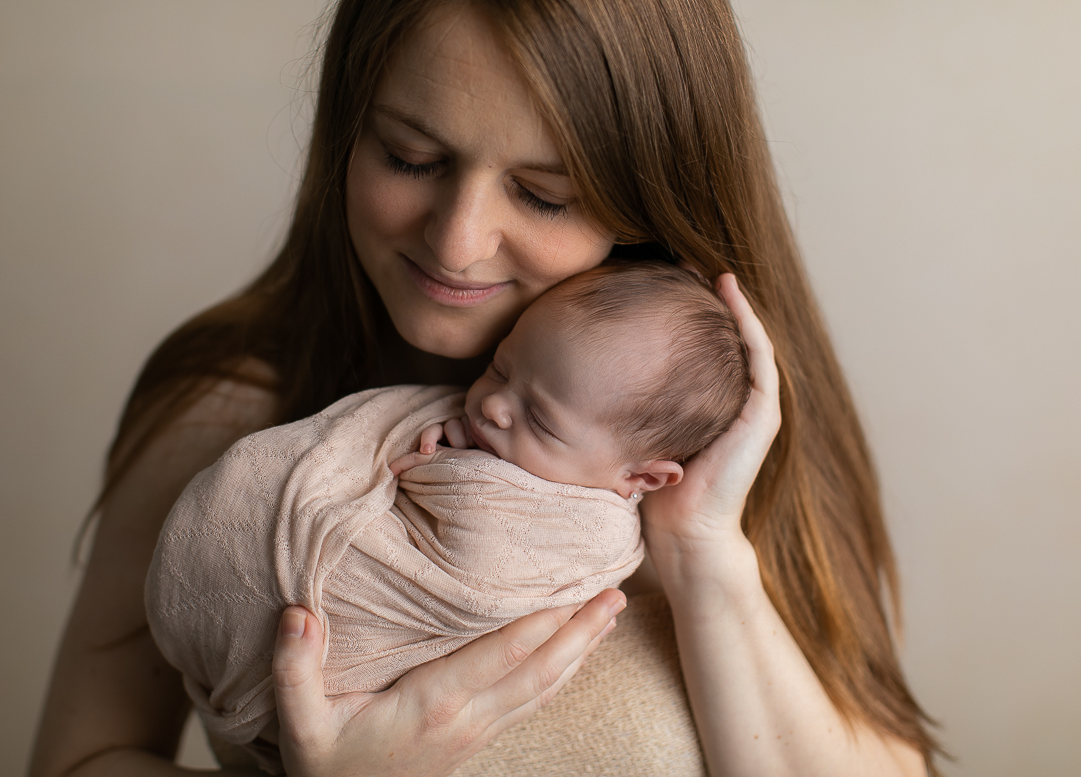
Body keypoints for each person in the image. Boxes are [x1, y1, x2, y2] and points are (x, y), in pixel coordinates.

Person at [30, 0, 941, 775]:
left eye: (544, 194)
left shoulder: (724, 442)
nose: (457, 243)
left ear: (651, 194)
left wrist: (704, 554)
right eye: (410, 157)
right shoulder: (231, 409)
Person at [144, 262, 749, 774]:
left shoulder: (588, 532)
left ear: (641, 479)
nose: (490, 404)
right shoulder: (220, 394)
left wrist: (708, 540)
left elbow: (480, 558)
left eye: (539, 419)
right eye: (501, 367)